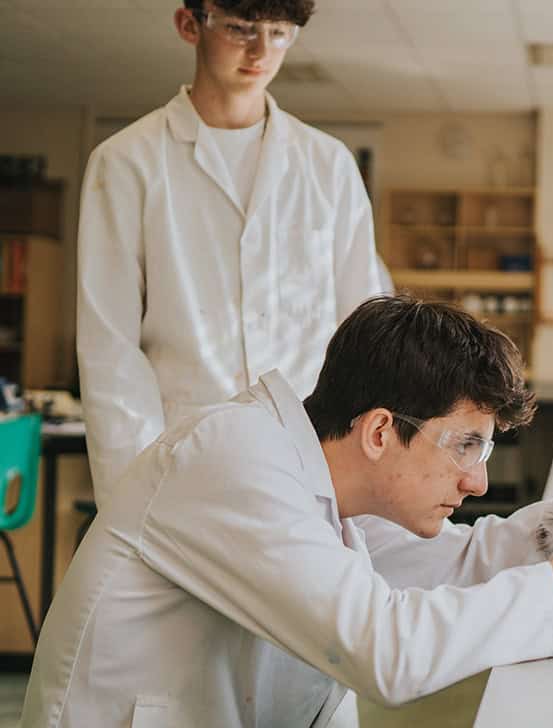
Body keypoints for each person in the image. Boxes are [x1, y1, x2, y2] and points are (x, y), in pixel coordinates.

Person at [23, 296, 553, 727]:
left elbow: (459, 564)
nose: (476, 482)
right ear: (381, 430)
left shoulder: (328, 478)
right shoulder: (232, 463)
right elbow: (389, 650)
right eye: (465, 446)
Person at [76, 0, 384, 508]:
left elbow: (364, 327)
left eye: (280, 32)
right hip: (179, 466)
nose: (261, 50)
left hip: (307, 462)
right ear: (189, 24)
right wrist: (131, 502)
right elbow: (109, 348)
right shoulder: (126, 161)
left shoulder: (328, 165)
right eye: (240, 28)